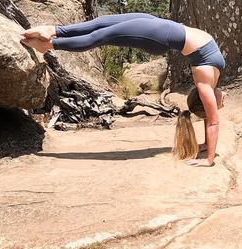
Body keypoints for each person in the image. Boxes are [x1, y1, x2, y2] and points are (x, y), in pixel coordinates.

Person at [20, 12, 226, 167]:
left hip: (160, 35)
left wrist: (209, 160)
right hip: (165, 28)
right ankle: (52, 30)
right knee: (103, 23)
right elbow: (210, 117)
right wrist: (207, 146)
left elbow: (213, 120)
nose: (223, 103)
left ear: (206, 101)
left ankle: (50, 44)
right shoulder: (210, 83)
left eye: (218, 105)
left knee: (102, 35)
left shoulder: (205, 82)